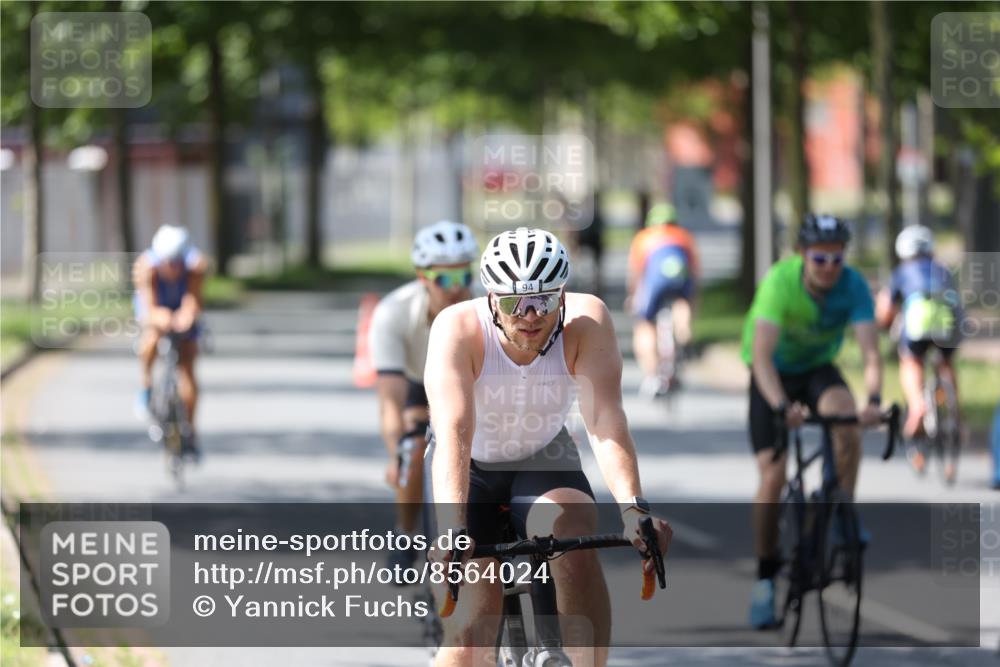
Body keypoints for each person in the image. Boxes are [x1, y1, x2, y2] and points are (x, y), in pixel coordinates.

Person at [424, 227, 672, 667]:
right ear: (489, 299)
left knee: (572, 534)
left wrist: (634, 510)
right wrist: (452, 527)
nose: (530, 315)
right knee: (470, 639)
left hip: (544, 455)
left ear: (563, 294)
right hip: (469, 466)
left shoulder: (586, 321)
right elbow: (455, 433)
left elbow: (605, 421)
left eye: (544, 299)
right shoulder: (457, 329)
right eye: (512, 303)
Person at [741, 214, 884, 629]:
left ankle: (840, 511)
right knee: (773, 475)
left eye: (837, 259)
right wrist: (782, 405)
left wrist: (873, 400)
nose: (828, 267)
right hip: (772, 376)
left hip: (817, 369)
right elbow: (763, 358)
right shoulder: (780, 283)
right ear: (803, 255)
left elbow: (872, 355)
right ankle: (766, 577)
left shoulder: (853, 286)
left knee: (847, 419)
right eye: (820, 258)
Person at [369, 220, 479, 572]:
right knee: (414, 451)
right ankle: (405, 532)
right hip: (418, 384)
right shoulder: (393, 313)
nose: (456, 288)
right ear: (422, 276)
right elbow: (390, 399)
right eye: (444, 279)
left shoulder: (484, 306)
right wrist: (394, 455)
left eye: (463, 276)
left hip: (473, 382)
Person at [875, 225, 963, 479]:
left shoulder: (902, 272)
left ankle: (917, 407)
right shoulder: (943, 269)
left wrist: (884, 323)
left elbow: (885, 310)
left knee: (912, 360)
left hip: (917, 324)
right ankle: (954, 409)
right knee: (945, 361)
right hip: (948, 324)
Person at [133, 224, 208, 460]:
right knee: (152, 338)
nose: (173, 268)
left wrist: (187, 316)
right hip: (157, 307)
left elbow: (193, 300)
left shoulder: (196, 266)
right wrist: (162, 317)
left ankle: (192, 432)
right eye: (168, 262)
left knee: (188, 370)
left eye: (177, 263)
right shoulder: (147, 268)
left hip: (182, 312)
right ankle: (145, 386)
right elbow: (150, 306)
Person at [626, 202, 700, 397]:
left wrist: (633, 297)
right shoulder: (684, 237)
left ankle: (651, 374)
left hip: (655, 282)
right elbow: (694, 271)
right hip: (681, 278)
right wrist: (692, 300)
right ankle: (684, 335)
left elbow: (636, 273)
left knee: (644, 325)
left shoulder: (644, 238)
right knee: (681, 303)